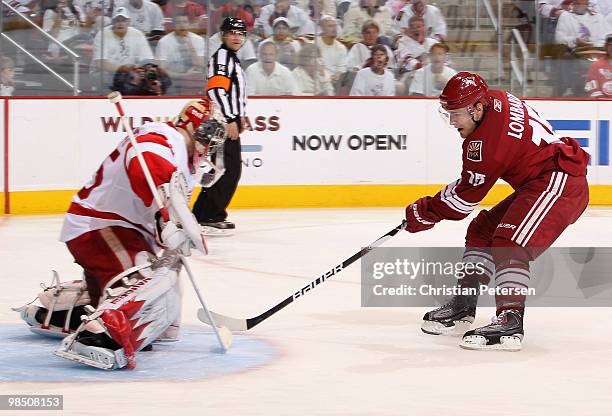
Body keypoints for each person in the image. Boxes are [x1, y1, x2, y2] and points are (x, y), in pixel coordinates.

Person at [16, 98, 227, 369]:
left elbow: (167, 221)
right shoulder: (165, 136)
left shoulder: (188, 167)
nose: (211, 144)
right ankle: (100, 334)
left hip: (127, 234)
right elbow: (144, 161)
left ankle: (65, 312)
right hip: (99, 227)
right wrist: (167, 209)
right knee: (149, 286)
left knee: (166, 312)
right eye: (209, 133)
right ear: (195, 126)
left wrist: (171, 235)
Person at [405, 72, 590, 351]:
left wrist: (425, 212)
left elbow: (464, 200)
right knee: (482, 230)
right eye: (448, 114)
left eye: (456, 114)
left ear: (477, 108)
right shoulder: (498, 99)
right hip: (541, 180)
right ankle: (464, 305)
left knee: (509, 243)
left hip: (559, 183)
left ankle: (510, 320)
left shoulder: (486, 145)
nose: (453, 122)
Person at [192, 17, 250, 234]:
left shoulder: (230, 58)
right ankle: (209, 215)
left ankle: (203, 213)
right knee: (229, 169)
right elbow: (216, 91)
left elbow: (232, 92)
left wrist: (241, 115)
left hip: (225, 120)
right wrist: (230, 119)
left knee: (222, 169)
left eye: (240, 33)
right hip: (222, 122)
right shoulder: (223, 57)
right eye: (232, 32)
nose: (236, 37)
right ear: (223, 35)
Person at [584, 32, 612, 97]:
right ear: (605, 46)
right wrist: (604, 103)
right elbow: (592, 89)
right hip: (602, 105)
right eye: (610, 44)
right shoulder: (596, 66)